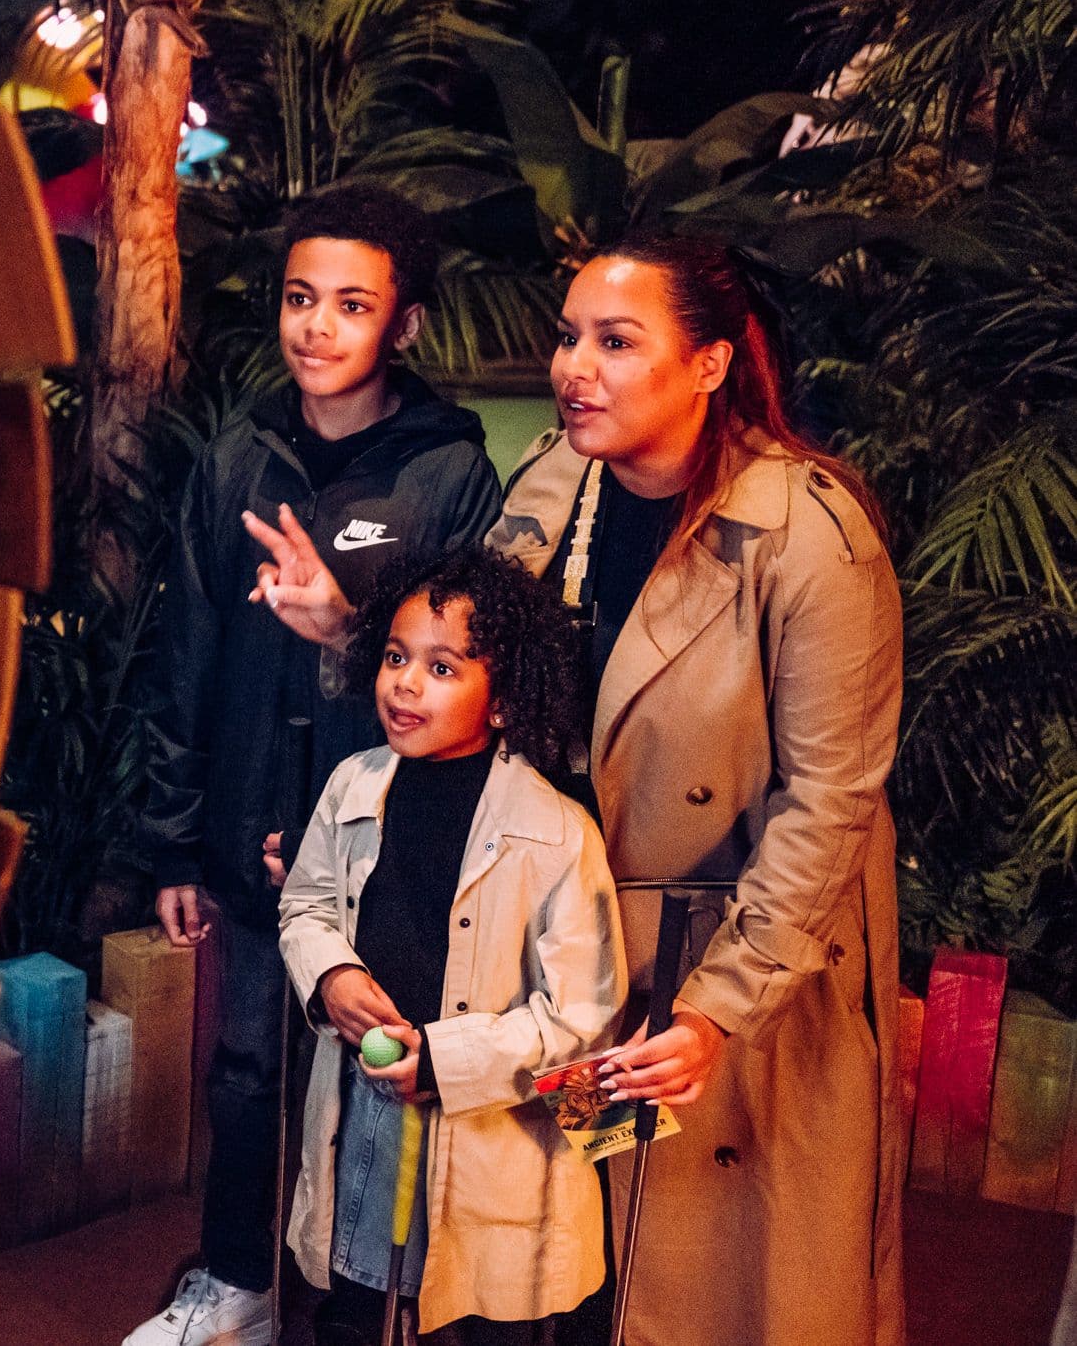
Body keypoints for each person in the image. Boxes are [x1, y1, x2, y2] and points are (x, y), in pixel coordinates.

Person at [243, 232, 906, 1346]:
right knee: (545, 1272)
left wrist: (714, 1009)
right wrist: (354, 651)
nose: (573, 366)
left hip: (730, 958)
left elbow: (829, 804)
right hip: (557, 938)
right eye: (566, 336)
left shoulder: (810, 534)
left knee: (712, 1288)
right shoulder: (559, 478)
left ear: (706, 364)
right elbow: (480, 670)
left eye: (614, 340)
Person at [127, 185, 503, 1346]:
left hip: (386, 844)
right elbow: (182, 649)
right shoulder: (238, 456)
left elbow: (473, 665)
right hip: (249, 834)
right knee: (245, 1070)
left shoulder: (444, 467)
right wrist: (175, 838)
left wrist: (349, 624)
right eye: (299, 298)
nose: (317, 326)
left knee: (369, 1083)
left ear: (403, 323)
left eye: (350, 302)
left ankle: (358, 1308)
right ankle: (234, 1281)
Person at [280, 546, 625, 1344]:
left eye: (443, 668)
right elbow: (304, 905)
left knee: (472, 1313)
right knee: (356, 1304)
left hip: (492, 1136)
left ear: (502, 698)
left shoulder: (558, 832)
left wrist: (444, 1060)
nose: (405, 682)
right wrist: (329, 972)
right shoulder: (350, 783)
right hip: (369, 1111)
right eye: (397, 657)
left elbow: (582, 1016)